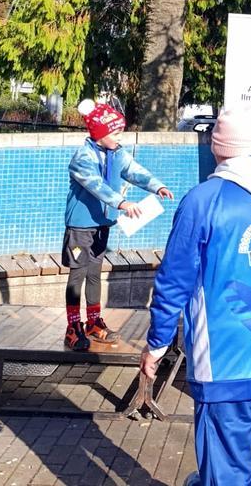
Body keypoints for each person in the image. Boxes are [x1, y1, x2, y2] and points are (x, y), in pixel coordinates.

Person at [144, 108, 251, 486]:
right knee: (234, 450)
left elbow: (174, 280)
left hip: (225, 357)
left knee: (229, 467)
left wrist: (157, 343)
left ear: (218, 148)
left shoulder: (203, 200)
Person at [63, 98, 173, 351]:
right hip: (81, 227)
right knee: (77, 274)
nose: (119, 137)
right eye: (115, 133)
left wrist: (157, 185)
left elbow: (135, 171)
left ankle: (93, 322)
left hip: (102, 224)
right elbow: (95, 185)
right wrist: (122, 203)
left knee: (93, 274)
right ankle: (73, 326)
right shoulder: (83, 157)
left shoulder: (116, 153)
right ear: (99, 133)